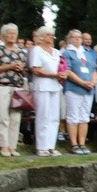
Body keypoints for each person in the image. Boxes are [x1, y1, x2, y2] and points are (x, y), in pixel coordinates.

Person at [30, 26, 67, 156]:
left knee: (54, 117)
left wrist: (63, 74)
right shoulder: (37, 50)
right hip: (42, 86)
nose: (51, 37)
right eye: (48, 35)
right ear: (41, 37)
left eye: (52, 35)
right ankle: (41, 147)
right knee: (43, 116)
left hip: (55, 86)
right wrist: (53, 74)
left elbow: (62, 67)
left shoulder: (56, 52)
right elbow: (35, 69)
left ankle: (51, 146)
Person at [0, 23, 28, 157]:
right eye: (9, 33)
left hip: (17, 87)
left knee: (16, 117)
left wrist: (20, 70)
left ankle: (13, 146)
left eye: (14, 33)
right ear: (4, 35)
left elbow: (25, 72)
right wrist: (10, 66)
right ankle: (4, 146)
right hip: (1, 86)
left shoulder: (21, 53)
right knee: (3, 117)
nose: (12, 36)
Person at [63, 29, 97, 155]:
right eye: (74, 37)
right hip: (73, 88)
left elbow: (94, 70)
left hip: (88, 89)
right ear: (70, 39)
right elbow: (68, 70)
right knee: (73, 117)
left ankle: (82, 143)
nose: (78, 39)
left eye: (79, 37)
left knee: (84, 117)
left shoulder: (87, 53)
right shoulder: (67, 53)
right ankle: (74, 144)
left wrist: (92, 81)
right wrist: (82, 83)